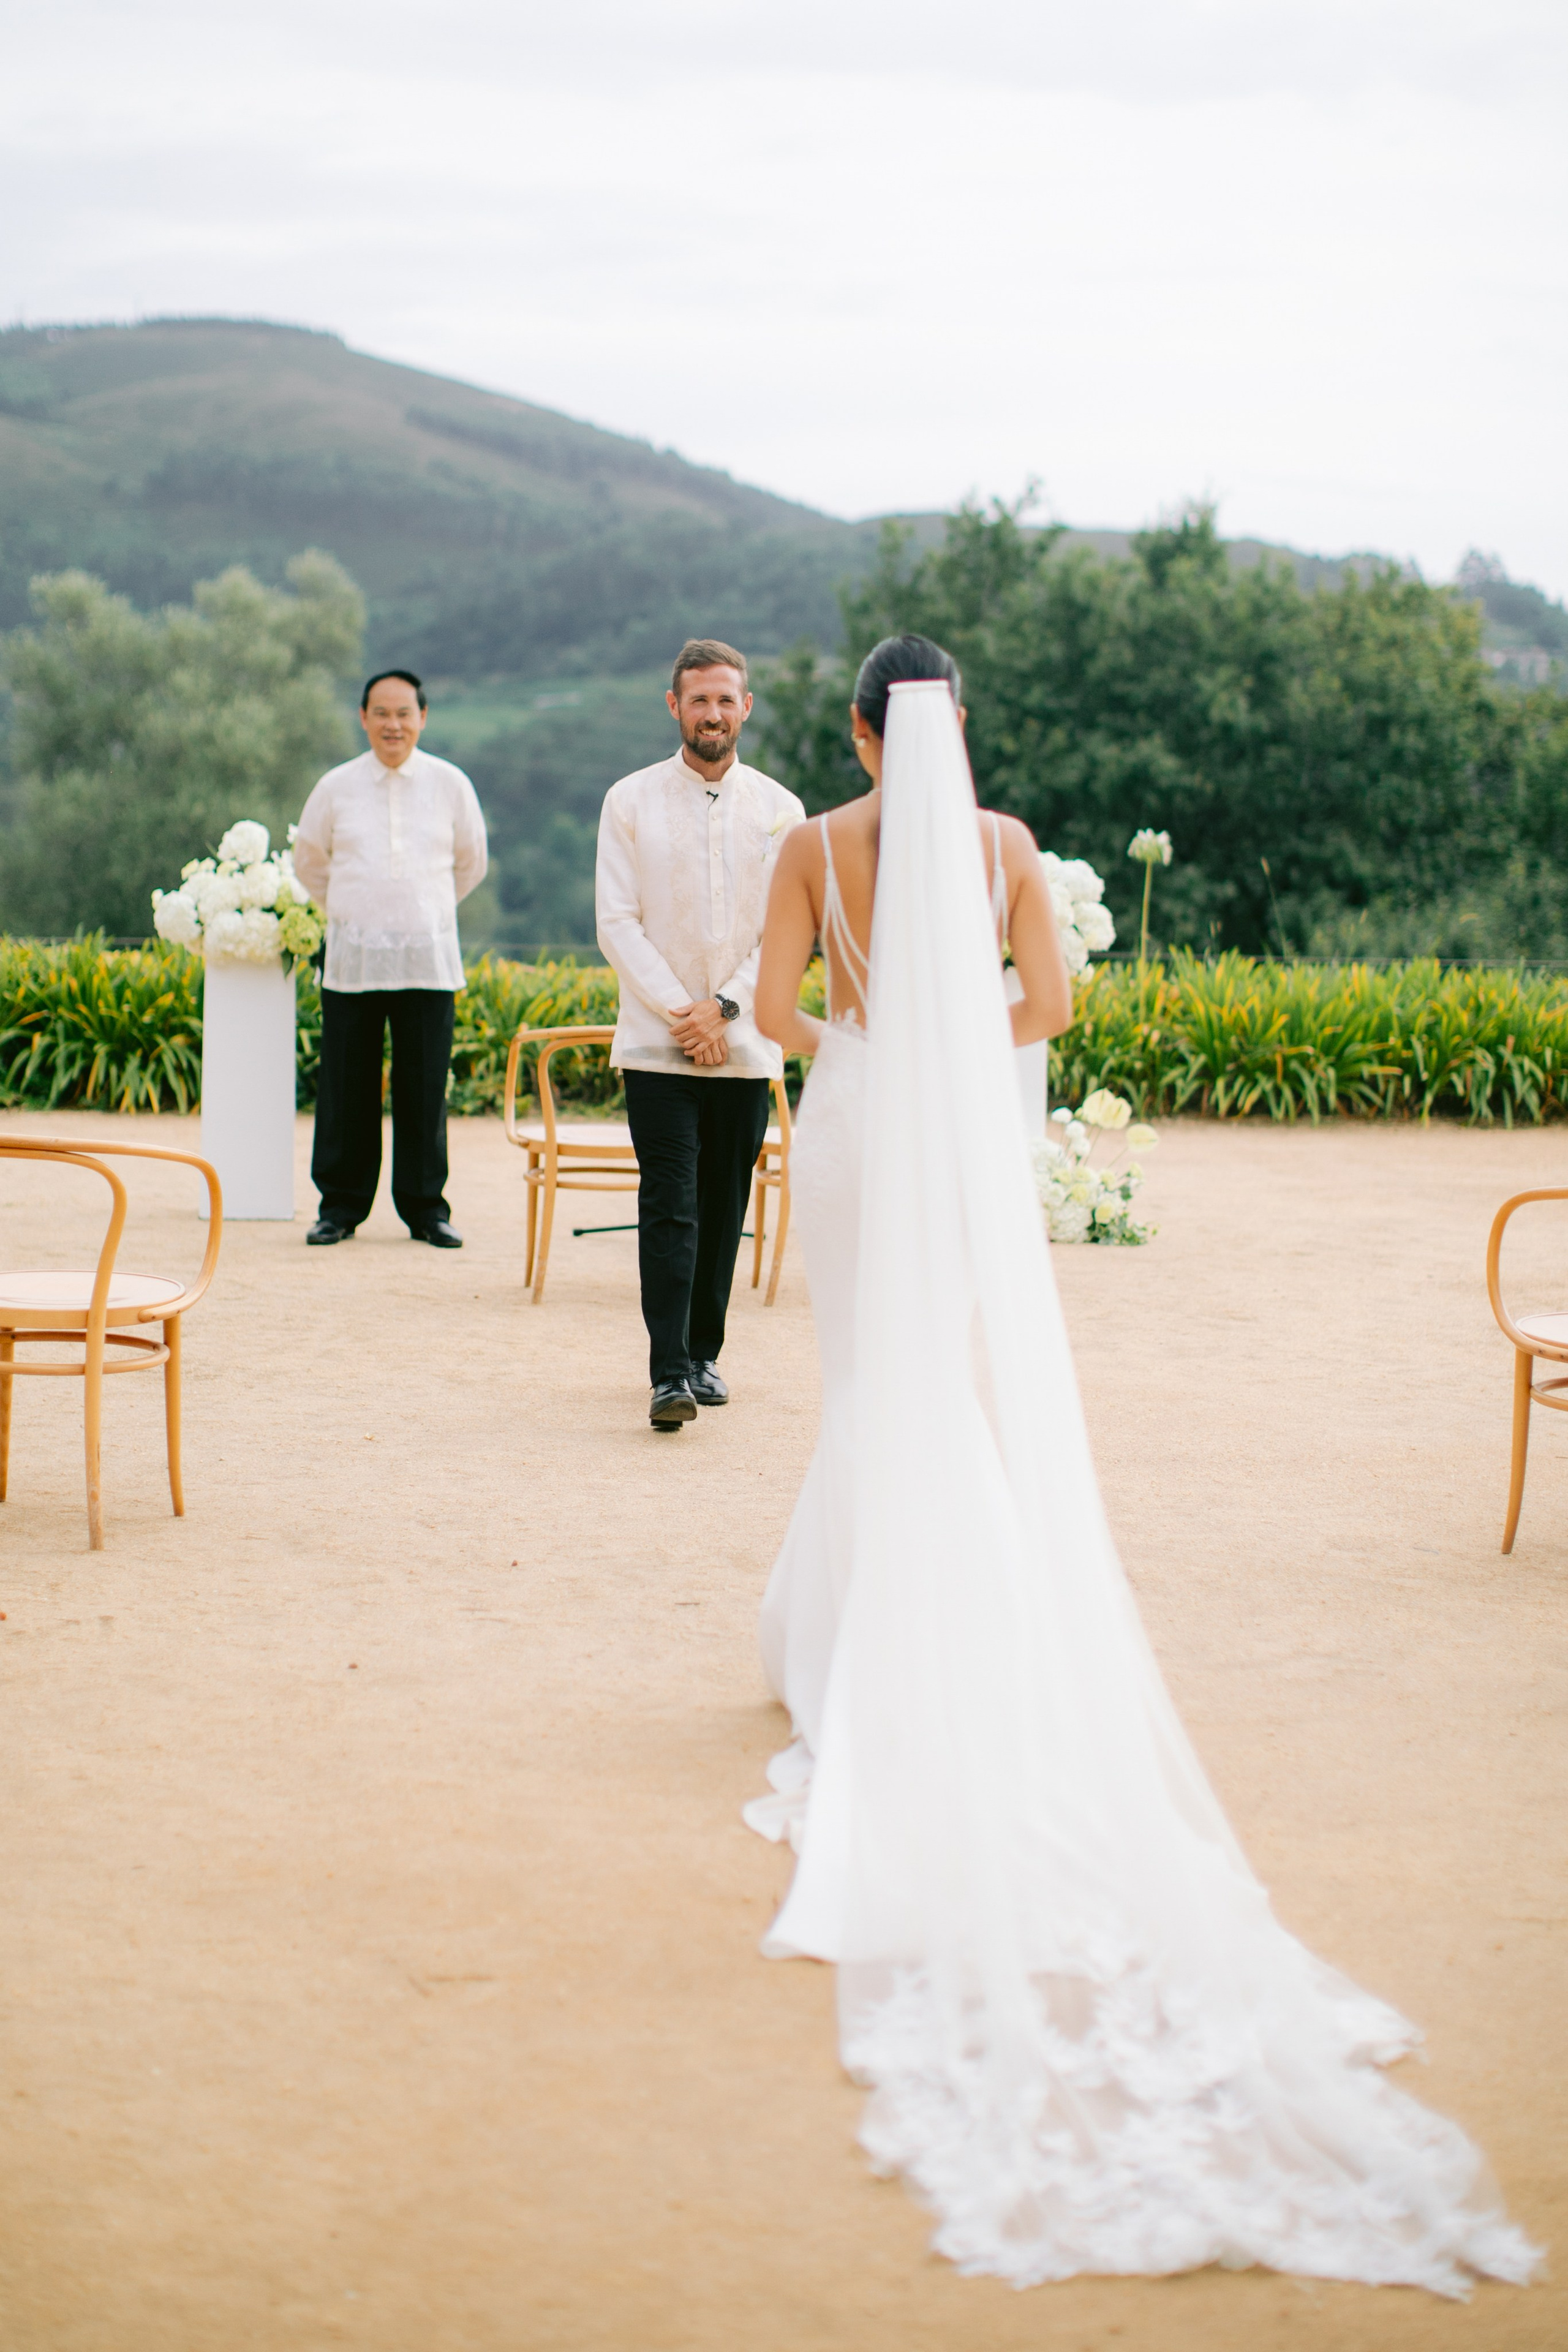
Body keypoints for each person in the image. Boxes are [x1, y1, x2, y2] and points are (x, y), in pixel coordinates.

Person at [744, 635, 1539, 2295]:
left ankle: (856, 1641)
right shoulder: (1008, 847)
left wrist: (867, 1052)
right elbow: (1050, 1007)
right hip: (957, 1130)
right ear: (959, 728)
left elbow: (768, 1012)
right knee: (934, 1375)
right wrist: (952, 1051)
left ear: (860, 732)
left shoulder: (812, 842)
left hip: (861, 1124)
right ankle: (928, 1624)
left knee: (865, 1380)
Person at [596, 639, 805, 1429]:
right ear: (673, 706)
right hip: (657, 1046)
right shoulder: (629, 800)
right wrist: (684, 1014)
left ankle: (705, 1354)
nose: (711, 714)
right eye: (698, 700)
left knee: (723, 1205)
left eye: (724, 700)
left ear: (745, 707)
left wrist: (724, 1009)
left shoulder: (782, 810)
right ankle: (668, 1372)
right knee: (669, 1204)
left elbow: (788, 929)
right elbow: (616, 921)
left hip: (744, 1044)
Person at [293, 669, 488, 1249]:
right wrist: (356, 912)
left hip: (428, 960)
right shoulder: (336, 786)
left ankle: (427, 1210)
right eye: (381, 713)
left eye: (404, 713)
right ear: (363, 718)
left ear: (423, 717)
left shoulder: (450, 784)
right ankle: (339, 1208)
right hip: (353, 959)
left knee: (424, 1089)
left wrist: (424, 911)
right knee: (346, 1088)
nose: (393, 724)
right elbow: (310, 862)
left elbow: (471, 863)